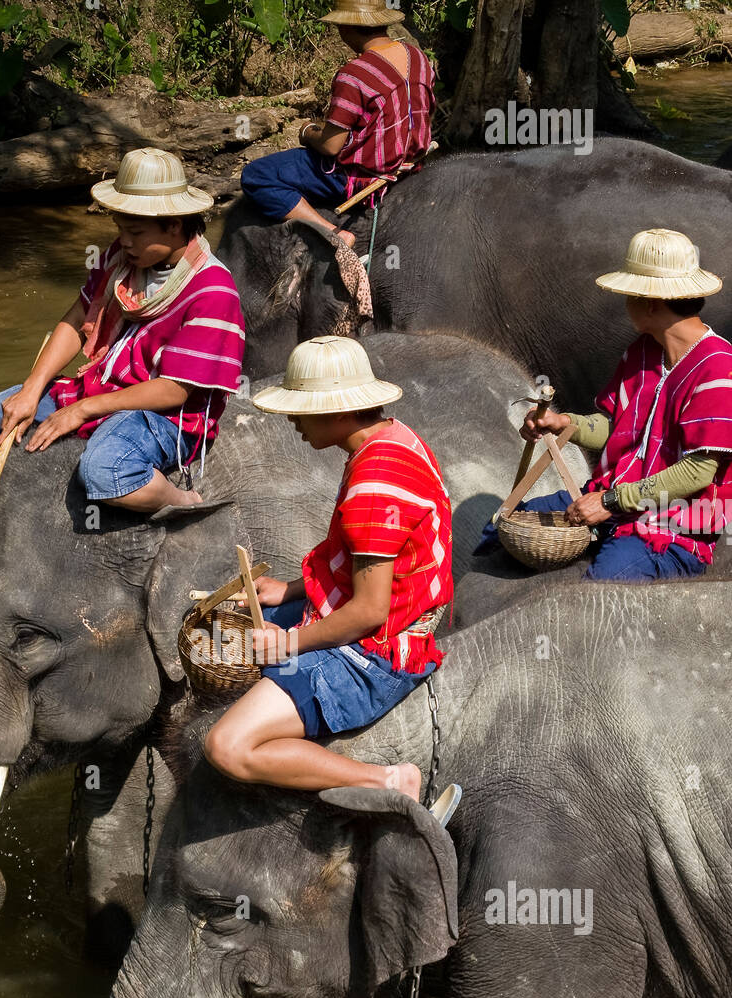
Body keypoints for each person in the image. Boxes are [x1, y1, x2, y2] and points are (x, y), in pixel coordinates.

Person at [203, 335, 453, 801]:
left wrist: (288, 643)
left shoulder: (374, 490)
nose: (294, 423)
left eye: (301, 411)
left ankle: (389, 781)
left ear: (338, 412)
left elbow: (369, 611)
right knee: (224, 635)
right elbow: (367, 565)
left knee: (226, 745)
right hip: (391, 612)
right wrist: (292, 590)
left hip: (378, 652)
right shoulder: (394, 437)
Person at [0, 148, 246, 512]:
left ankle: (182, 500)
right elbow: (80, 316)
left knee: (105, 471)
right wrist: (32, 390)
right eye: (120, 229)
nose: (124, 240)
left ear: (174, 225)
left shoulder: (213, 291)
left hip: (164, 416)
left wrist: (82, 410)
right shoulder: (121, 256)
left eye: (135, 232)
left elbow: (175, 390)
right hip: (101, 383)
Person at [495, 229, 732, 580]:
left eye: (629, 295)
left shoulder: (719, 367)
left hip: (668, 524)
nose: (625, 305)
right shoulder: (642, 352)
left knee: (600, 591)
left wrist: (608, 503)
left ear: (650, 301)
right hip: (613, 497)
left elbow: (697, 472)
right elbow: (618, 429)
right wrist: (564, 423)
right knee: (500, 528)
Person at [240, 1, 435, 250]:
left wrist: (308, 133)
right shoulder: (417, 57)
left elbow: (331, 146)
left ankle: (333, 232)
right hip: (410, 166)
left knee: (258, 175)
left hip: (365, 177)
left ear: (346, 27)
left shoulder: (355, 73)